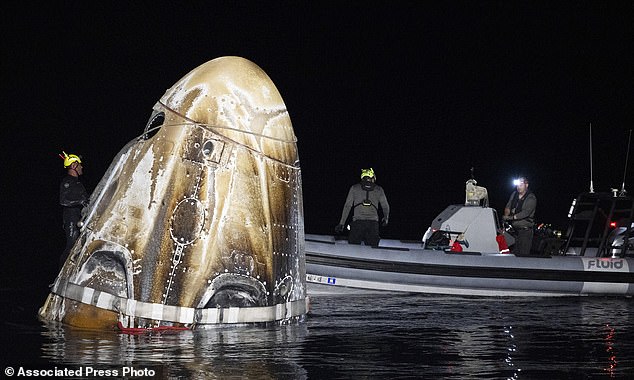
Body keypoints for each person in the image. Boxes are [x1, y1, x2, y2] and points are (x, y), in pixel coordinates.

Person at [335, 168, 390, 247]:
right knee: (373, 251)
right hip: (373, 225)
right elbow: (385, 206)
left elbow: (347, 206)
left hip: (357, 224)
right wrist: (386, 218)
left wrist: (341, 224)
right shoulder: (379, 189)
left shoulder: (354, 188)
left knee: (353, 249)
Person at [59, 151, 89, 268]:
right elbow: (63, 200)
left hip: (79, 218)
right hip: (71, 218)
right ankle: (61, 273)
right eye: (79, 164)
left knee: (80, 246)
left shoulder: (78, 183)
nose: (82, 167)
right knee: (71, 245)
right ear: (73, 166)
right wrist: (80, 201)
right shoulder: (67, 181)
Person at [503, 176, 537, 256]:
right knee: (513, 254)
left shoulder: (531, 197)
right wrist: (506, 215)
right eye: (517, 185)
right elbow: (508, 206)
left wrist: (511, 217)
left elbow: (526, 213)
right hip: (514, 231)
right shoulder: (514, 194)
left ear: (526, 185)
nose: (519, 187)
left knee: (523, 255)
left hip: (525, 231)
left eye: (521, 184)